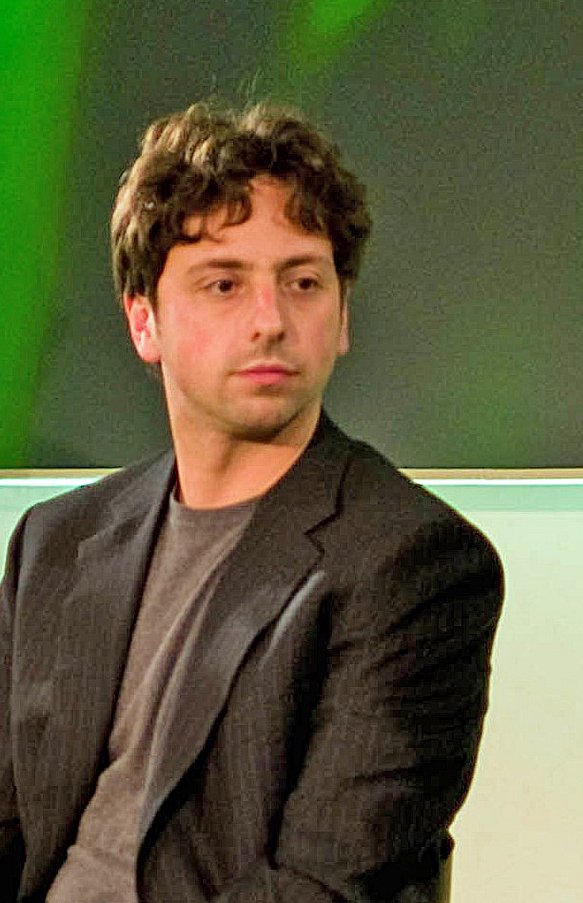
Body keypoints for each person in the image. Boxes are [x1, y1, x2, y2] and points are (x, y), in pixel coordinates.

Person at [0, 102, 503, 901]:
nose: (270, 321)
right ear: (143, 321)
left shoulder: (414, 563)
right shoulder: (54, 543)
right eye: (224, 283)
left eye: (303, 282)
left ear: (342, 316)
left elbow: (322, 883)